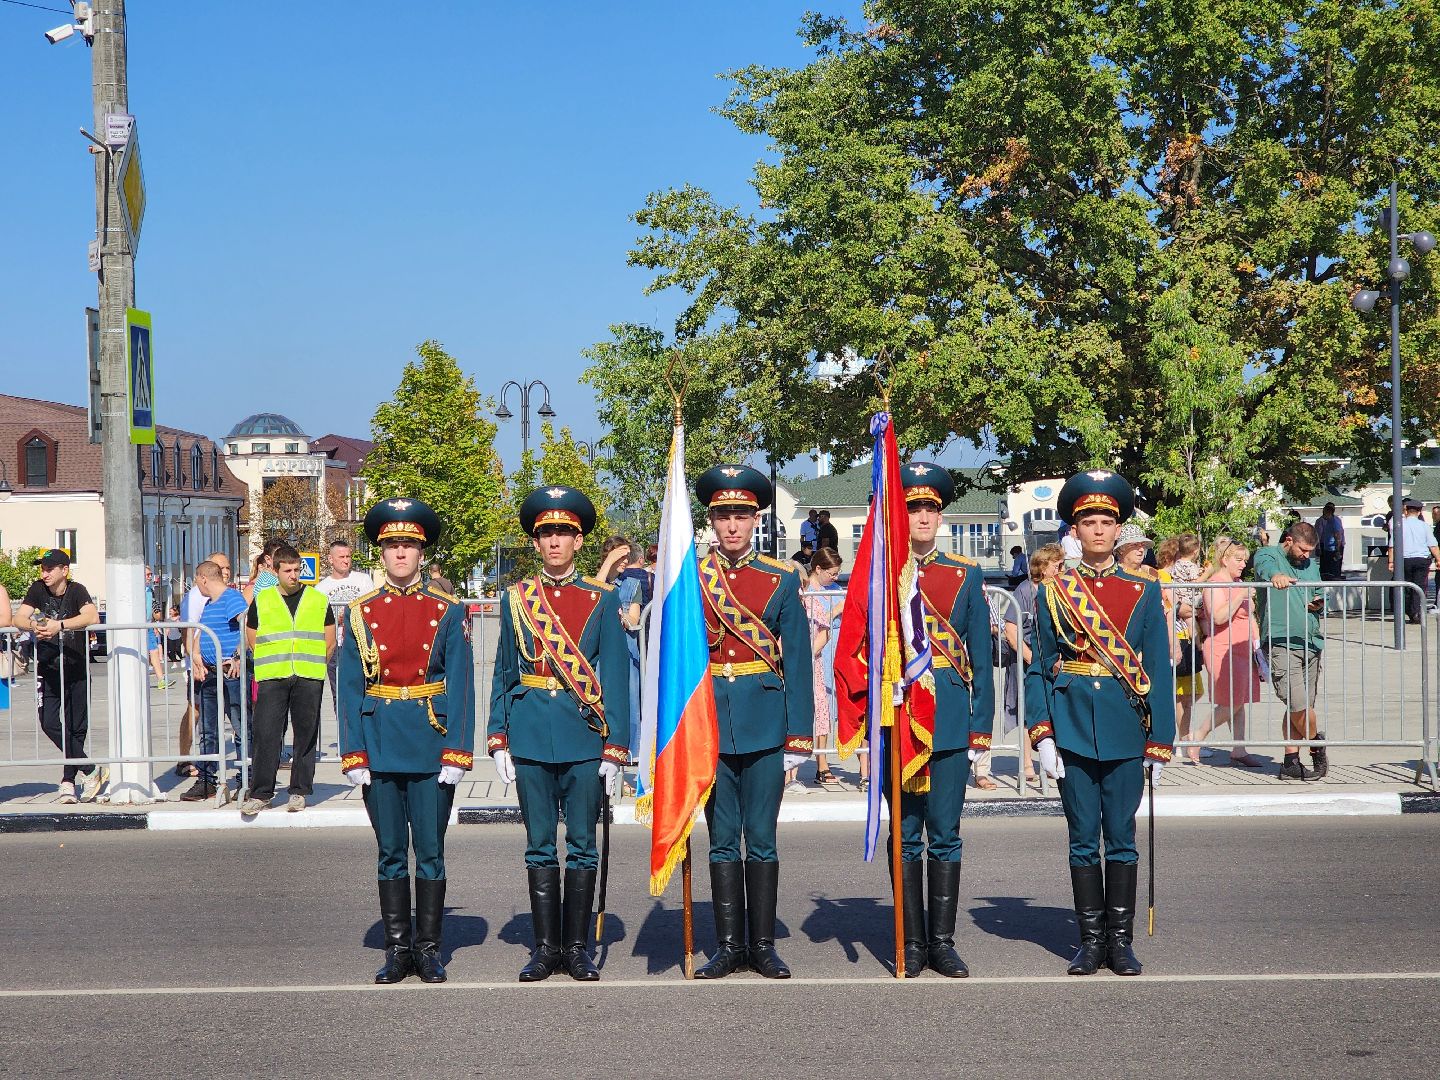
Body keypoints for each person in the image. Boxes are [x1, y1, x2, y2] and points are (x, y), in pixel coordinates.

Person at [1026, 471, 1175, 977]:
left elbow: (1158, 668)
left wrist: (1160, 741)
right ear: (1074, 529)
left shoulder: (1144, 589)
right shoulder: (1053, 591)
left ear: (1117, 529)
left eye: (1106, 522)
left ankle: (1121, 942)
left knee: (1122, 837)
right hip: (1071, 726)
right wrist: (1042, 733)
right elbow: (1039, 667)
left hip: (1125, 726)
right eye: (1088, 521)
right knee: (1082, 837)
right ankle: (1090, 942)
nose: (1097, 530)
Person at [489, 486, 631, 983]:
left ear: (578, 541)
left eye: (563, 533)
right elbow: (504, 670)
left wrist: (616, 747)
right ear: (535, 542)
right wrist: (498, 736)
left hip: (583, 735)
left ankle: (577, 947)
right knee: (539, 845)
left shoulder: (601, 600)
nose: (554, 542)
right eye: (546, 533)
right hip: (529, 733)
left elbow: (617, 678)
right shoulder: (516, 599)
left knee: (583, 844)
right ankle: (545, 947)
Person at [339, 498, 475, 985]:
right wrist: (353, 752)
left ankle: (429, 948)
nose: (400, 553)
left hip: (429, 740)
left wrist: (458, 751)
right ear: (381, 552)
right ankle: (398, 949)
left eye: (409, 545)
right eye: (392, 545)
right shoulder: (360, 612)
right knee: (391, 850)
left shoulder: (448, 610)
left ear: (422, 552)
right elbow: (349, 688)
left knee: (431, 851)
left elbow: (462, 685)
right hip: (379, 742)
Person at [690, 464, 813, 980]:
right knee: (721, 838)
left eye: (741, 515)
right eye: (723, 516)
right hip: (710, 725)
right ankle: (727, 946)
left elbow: (799, 662)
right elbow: (678, 662)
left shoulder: (780, 579)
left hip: (765, 721)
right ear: (712, 521)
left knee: (761, 837)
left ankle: (762, 945)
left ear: (756, 520)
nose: (732, 526)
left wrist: (799, 734)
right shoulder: (691, 578)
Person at [890, 462, 996, 978]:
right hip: (899, 719)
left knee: (946, 834)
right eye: (913, 507)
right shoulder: (884, 574)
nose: (923, 516)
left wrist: (981, 729)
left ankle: (942, 942)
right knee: (906, 834)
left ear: (941, 515)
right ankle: (912, 942)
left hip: (950, 719)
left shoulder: (964, 574)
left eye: (930, 508)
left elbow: (981, 659)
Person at [241, 545, 334, 815]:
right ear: (276, 571)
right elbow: (252, 634)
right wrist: (267, 658)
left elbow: (329, 638)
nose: (294, 575)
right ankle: (261, 793)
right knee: (266, 734)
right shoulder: (264, 599)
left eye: (297, 570)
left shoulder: (317, 599)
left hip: (308, 675)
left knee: (305, 735)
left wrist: (318, 663)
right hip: (273, 675)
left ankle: (299, 792)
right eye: (288, 571)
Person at [14, 550, 106, 804]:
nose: (44, 573)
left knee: (76, 727)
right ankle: (90, 769)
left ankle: (69, 781)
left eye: (49, 569)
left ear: (64, 570)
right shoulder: (37, 589)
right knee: (48, 722)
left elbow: (92, 616)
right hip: (48, 667)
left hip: (76, 666)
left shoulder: (77, 590)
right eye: (42, 568)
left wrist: (60, 626)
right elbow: (18, 617)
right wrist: (34, 625)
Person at [1253, 522, 1326, 780]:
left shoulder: (1311, 565)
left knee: (1300, 706)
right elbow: (1264, 566)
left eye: (1310, 551)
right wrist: (1276, 576)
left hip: (1311, 642)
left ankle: (1290, 762)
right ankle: (1317, 745)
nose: (1306, 555)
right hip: (1281, 643)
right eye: (1302, 549)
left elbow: (1320, 592)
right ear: (1288, 540)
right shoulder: (1269, 555)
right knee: (1298, 704)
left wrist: (1318, 603)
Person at [1193, 539, 1264, 767]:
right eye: (1238, 559)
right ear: (1225, 559)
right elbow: (1218, 617)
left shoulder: (1238, 583)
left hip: (1243, 647)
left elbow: (1250, 615)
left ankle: (1239, 749)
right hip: (1223, 648)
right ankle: (1197, 736)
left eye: (1245, 560)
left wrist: (1257, 645)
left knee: (1239, 700)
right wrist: (1240, 595)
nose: (1243, 564)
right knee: (1230, 702)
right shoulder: (1215, 584)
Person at [181, 561, 248, 802]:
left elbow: (246, 626)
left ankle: (246, 778)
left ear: (203, 578)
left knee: (241, 728)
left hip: (230, 674)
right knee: (208, 731)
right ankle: (207, 781)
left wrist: (238, 656)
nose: (197, 586)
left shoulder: (232, 598)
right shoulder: (210, 604)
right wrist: (196, 656)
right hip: (210, 674)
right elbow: (202, 632)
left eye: (196, 581)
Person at [1004, 543, 1065, 785]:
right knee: (1028, 712)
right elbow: (1011, 630)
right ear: (1043, 566)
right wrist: (1033, 660)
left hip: (1056, 662)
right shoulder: (1025, 590)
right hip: (1028, 660)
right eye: (1057, 565)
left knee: (1057, 709)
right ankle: (1028, 763)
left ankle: (1054, 759)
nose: (1061, 569)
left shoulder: (1062, 588)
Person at [315, 538, 375, 715]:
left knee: (365, 689)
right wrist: (338, 618)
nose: (346, 560)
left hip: (361, 643)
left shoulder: (363, 580)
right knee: (340, 692)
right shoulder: (321, 589)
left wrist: (351, 615)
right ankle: (343, 728)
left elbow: (372, 610)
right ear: (330, 559)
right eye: (341, 557)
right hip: (337, 646)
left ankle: (365, 726)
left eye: (348, 556)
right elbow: (319, 621)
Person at [1157, 536, 1204, 757]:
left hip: (1188, 636)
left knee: (1191, 693)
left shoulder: (1174, 575)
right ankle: (1183, 740)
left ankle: (1184, 738)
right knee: (1181, 695)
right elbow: (1179, 608)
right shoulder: (1164, 576)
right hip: (1177, 636)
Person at [805, 547, 844, 787]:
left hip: (837, 650)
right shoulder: (805, 591)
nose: (835, 578)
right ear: (818, 569)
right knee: (819, 707)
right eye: (831, 573)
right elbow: (816, 621)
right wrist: (836, 610)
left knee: (828, 709)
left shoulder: (836, 590)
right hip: (819, 651)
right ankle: (817, 763)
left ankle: (823, 762)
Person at [1388, 498, 1439, 625]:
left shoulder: (1399, 526)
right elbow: (1433, 545)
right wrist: (1438, 559)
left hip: (1404, 560)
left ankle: (1409, 610)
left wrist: (1391, 562)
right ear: (1419, 511)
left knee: (1406, 586)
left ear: (1406, 510)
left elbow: (1392, 546)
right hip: (1422, 560)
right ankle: (1415, 611)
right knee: (1419, 586)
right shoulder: (1425, 526)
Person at [243, 539, 285, 605]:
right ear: (268, 559)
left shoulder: (278, 579)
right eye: (279, 556)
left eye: (285, 556)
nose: (284, 560)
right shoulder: (265, 582)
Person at [1314, 503, 1346, 581]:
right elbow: (1318, 534)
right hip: (1327, 547)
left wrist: (1337, 549)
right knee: (1327, 569)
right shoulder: (1325, 521)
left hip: (1333, 548)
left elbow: (1338, 535)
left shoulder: (1335, 521)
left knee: (1333, 569)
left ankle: (1334, 579)